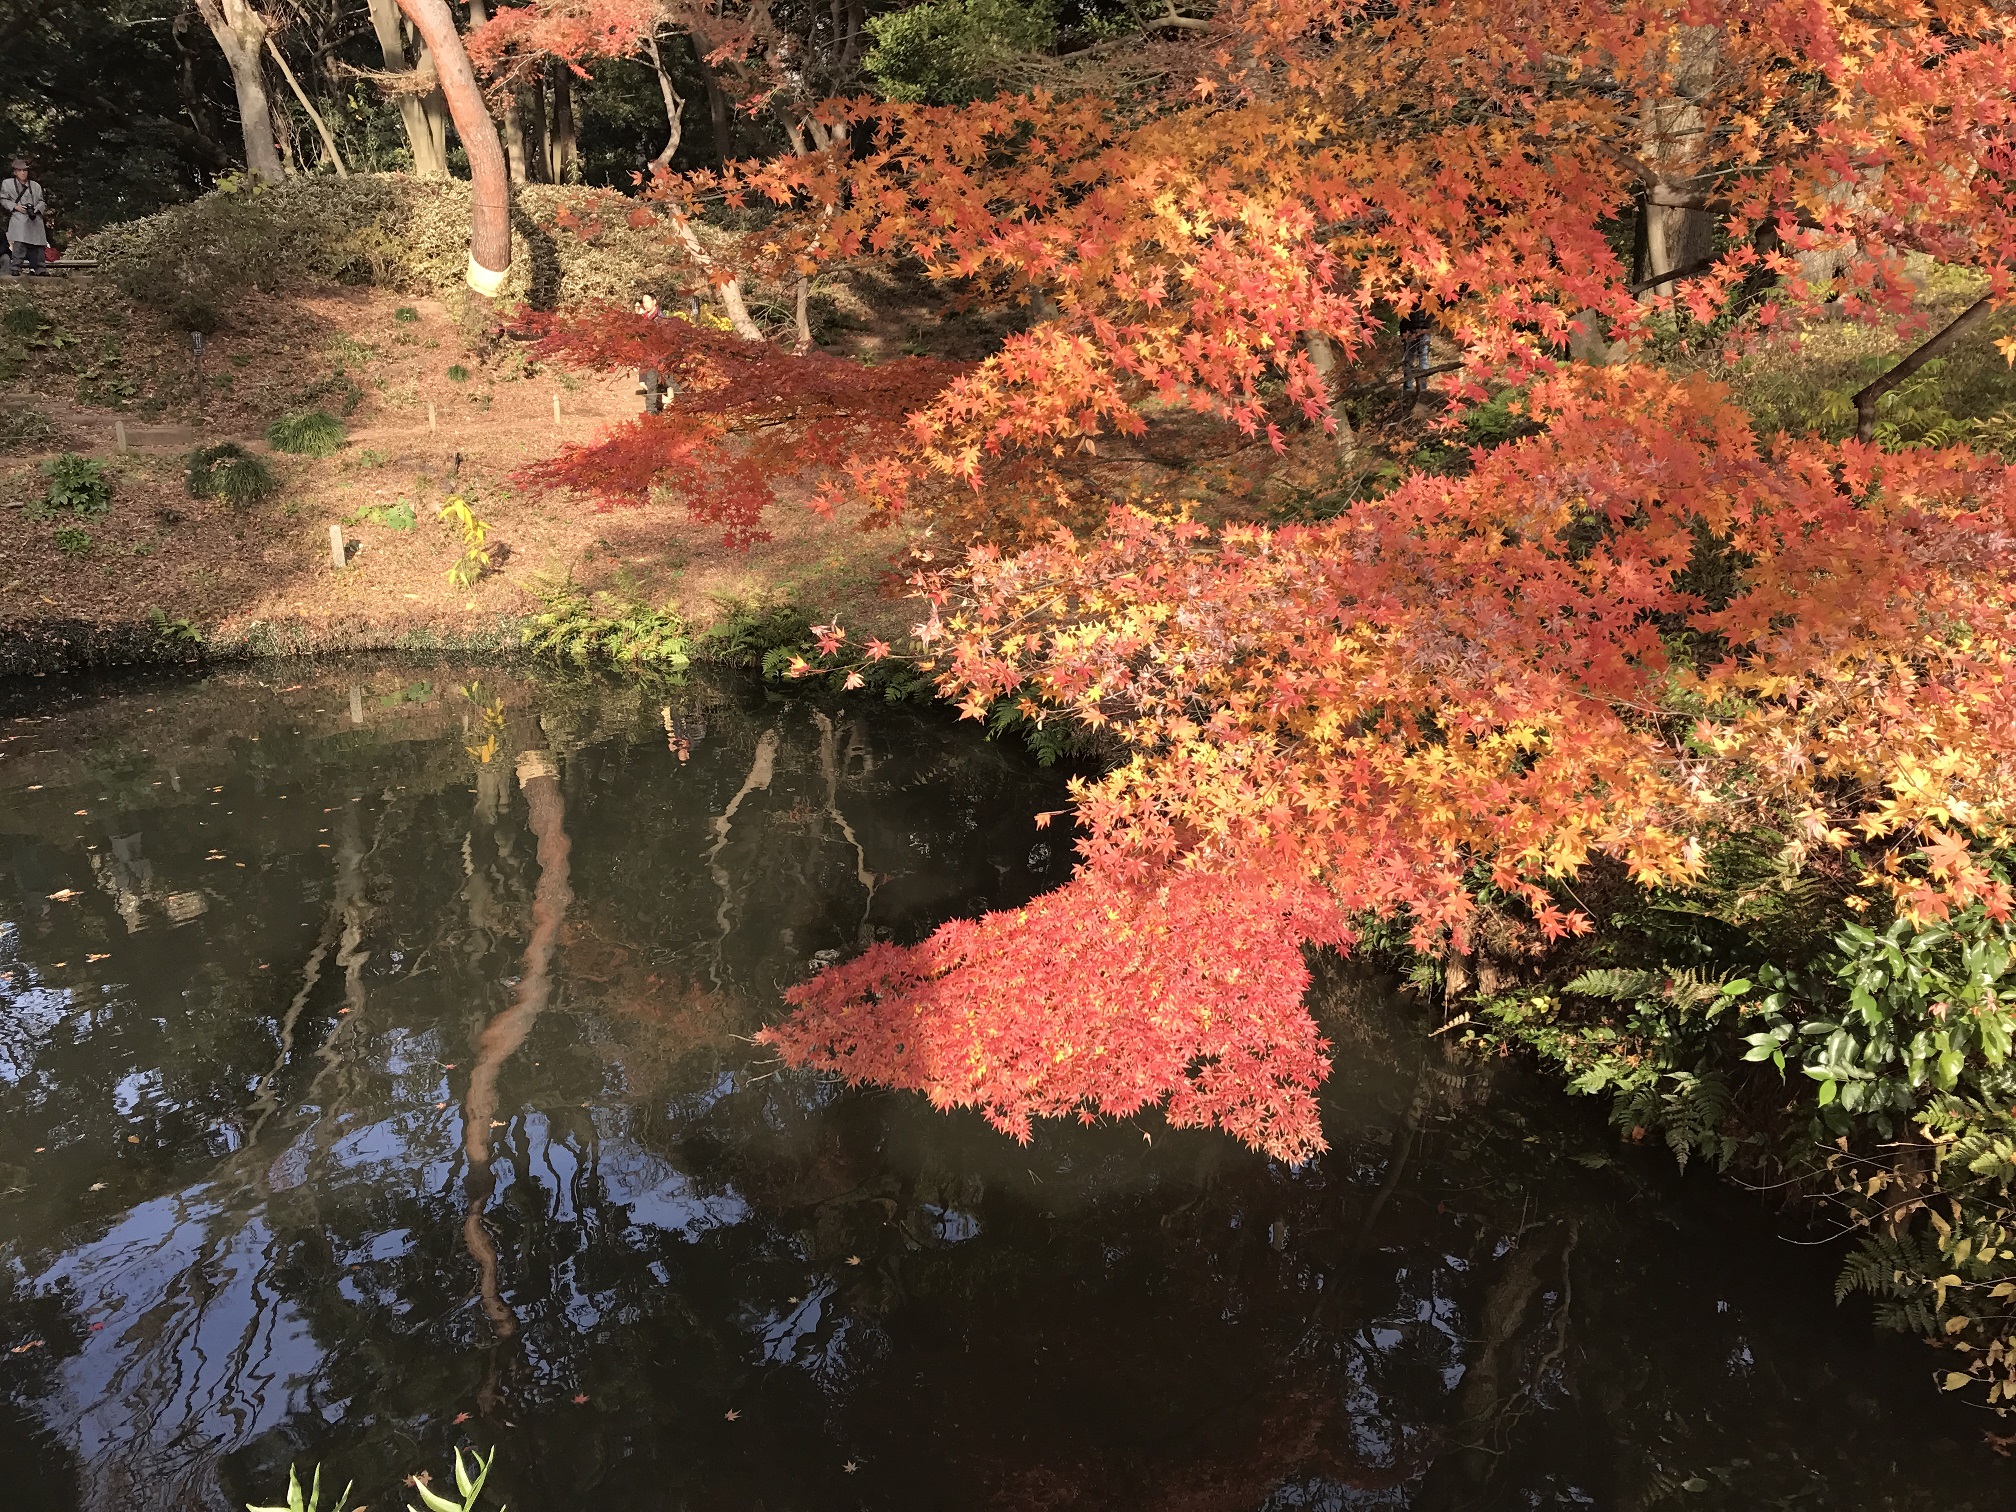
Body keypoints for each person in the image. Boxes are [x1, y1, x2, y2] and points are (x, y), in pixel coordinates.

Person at [1, 159, 49, 276]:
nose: (23, 173)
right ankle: (16, 267)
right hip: (19, 216)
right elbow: (3, 199)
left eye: (25, 170)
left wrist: (37, 208)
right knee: (19, 244)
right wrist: (15, 207)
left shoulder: (35, 186)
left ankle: (40, 268)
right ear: (15, 172)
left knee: (38, 246)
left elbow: (42, 201)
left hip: (34, 217)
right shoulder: (7, 184)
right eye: (20, 170)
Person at [634, 293, 665, 415]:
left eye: (648, 301)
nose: (646, 304)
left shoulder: (661, 318)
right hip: (647, 355)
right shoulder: (644, 318)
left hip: (658, 355)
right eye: (644, 302)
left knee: (668, 382)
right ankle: (651, 412)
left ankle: (683, 407)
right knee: (648, 383)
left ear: (654, 301)